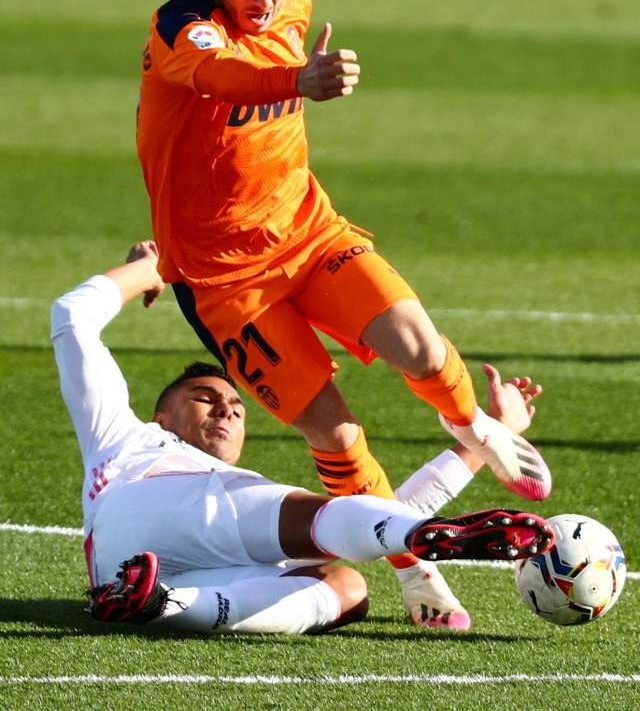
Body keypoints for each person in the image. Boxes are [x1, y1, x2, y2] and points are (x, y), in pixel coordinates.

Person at [135, 0, 551, 626]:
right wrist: (298, 80)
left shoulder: (296, 5)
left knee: (420, 345)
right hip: (226, 283)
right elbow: (226, 77)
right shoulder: (182, 29)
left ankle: (473, 427)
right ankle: (416, 573)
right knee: (335, 433)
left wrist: (305, 68)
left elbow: (279, 35)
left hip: (308, 231)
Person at [52, 241, 554, 636]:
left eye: (237, 407)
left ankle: (162, 604)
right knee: (333, 520)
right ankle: (418, 538)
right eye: (204, 397)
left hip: (130, 574)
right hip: (149, 504)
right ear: (161, 417)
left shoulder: (230, 486)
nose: (227, 408)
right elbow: (72, 317)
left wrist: (492, 437)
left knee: (347, 587)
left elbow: (378, 509)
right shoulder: (125, 435)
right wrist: (148, 270)